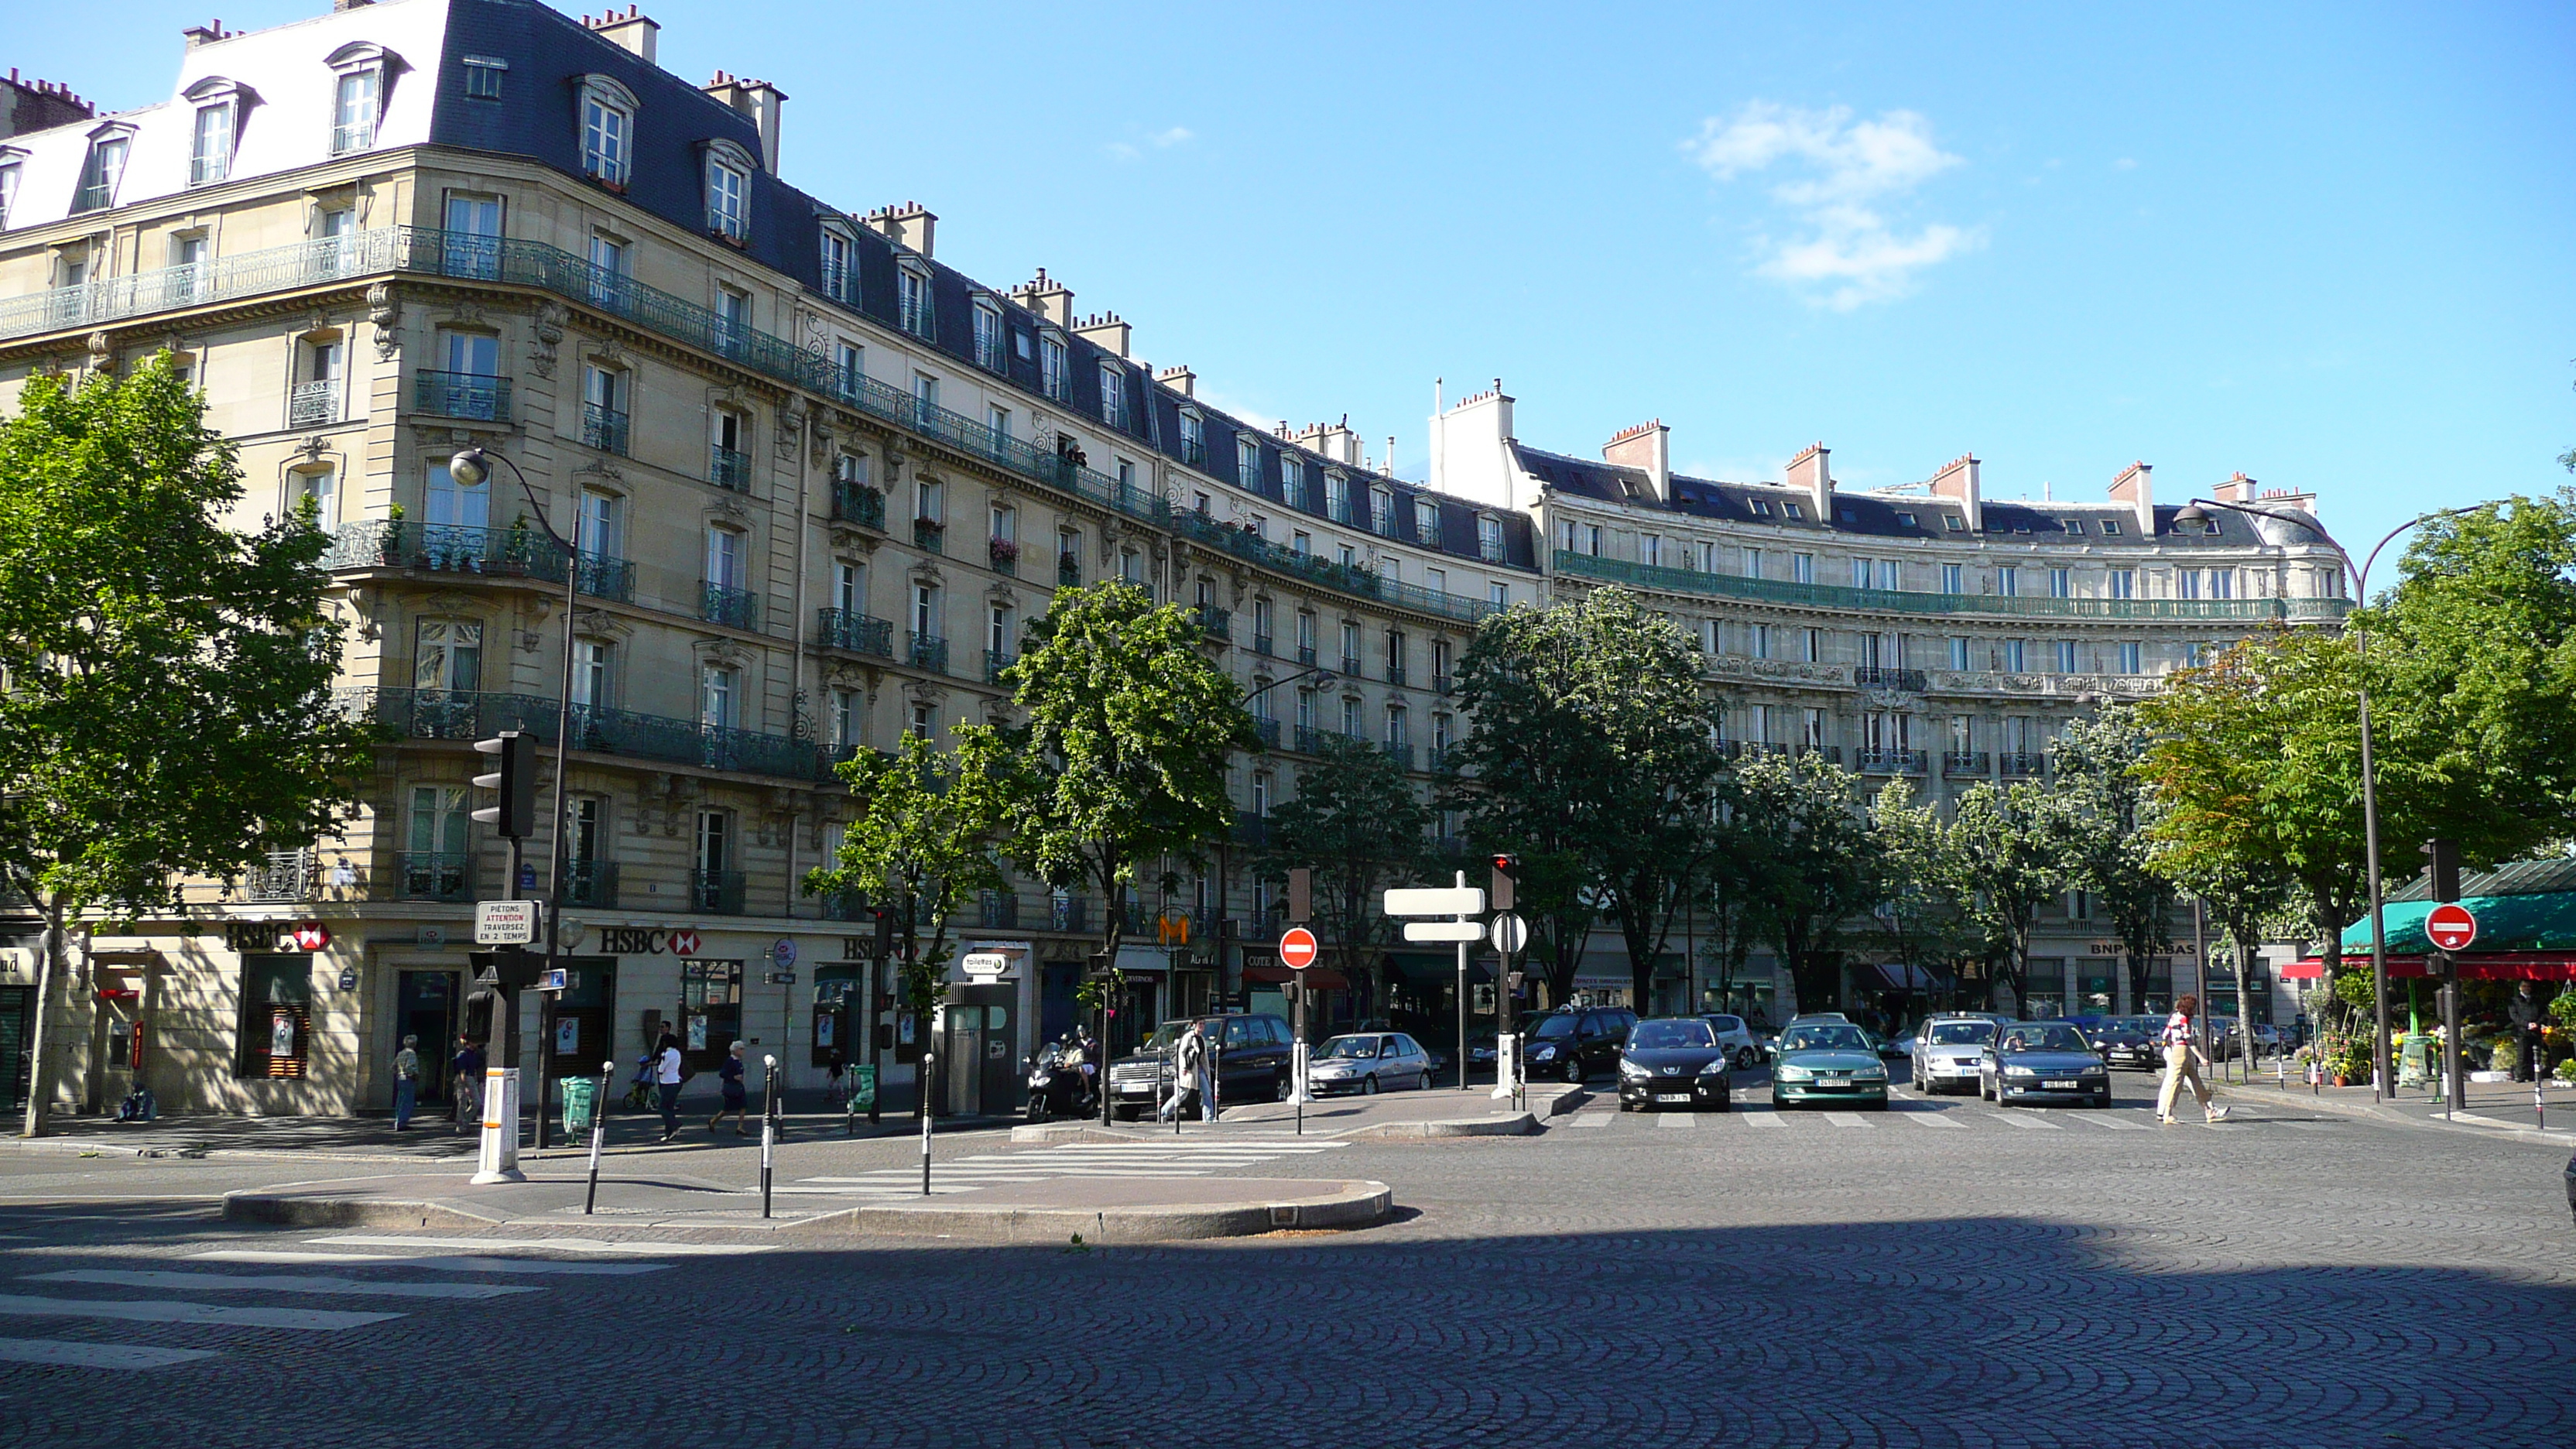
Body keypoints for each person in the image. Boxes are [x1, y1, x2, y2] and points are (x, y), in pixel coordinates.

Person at [2156, 995, 2228, 1125]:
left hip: (2175, 1049)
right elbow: (2188, 1039)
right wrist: (2200, 1057)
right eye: (2194, 1007)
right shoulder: (2184, 1019)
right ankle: (2168, 1113)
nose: (2195, 1010)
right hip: (2181, 1051)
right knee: (2175, 1082)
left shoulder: (2174, 1016)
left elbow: (2165, 1034)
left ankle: (2209, 1110)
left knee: (2196, 1081)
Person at [1160, 1022, 1208, 1123]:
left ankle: (1209, 1118)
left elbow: (1203, 1057)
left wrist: (1206, 1070)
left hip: (1199, 1069)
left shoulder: (1202, 1038)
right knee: (1182, 1094)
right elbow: (1181, 1053)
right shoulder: (1188, 1037)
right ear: (1194, 1025)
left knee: (1207, 1092)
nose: (1202, 1026)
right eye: (1200, 1024)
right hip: (1189, 1070)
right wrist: (1184, 1068)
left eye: (1204, 1024)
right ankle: (1163, 1113)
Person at [711, 1041, 750, 1136]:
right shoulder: (730, 1061)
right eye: (741, 1049)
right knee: (728, 1108)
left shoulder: (738, 1061)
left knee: (743, 1106)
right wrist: (733, 1077)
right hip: (731, 1087)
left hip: (739, 1086)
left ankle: (740, 1127)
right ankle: (713, 1121)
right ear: (735, 1050)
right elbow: (722, 1073)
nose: (743, 1051)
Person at [654, 1029, 685, 1142]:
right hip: (676, 1081)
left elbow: (661, 1069)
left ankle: (675, 1124)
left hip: (667, 1083)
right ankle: (669, 1133)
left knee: (662, 1107)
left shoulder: (667, 1054)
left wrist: (660, 1061)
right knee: (669, 1108)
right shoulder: (677, 1053)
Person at [450, 1036, 485, 1135]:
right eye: (474, 1042)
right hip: (464, 1078)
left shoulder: (474, 1054)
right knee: (462, 1102)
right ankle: (461, 1125)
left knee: (476, 1102)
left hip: (471, 1077)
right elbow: (462, 1072)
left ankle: (464, 1121)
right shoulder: (463, 1055)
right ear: (469, 1043)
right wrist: (465, 1086)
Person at [2509, 981, 2542, 1083]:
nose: (2526, 988)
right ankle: (2521, 1075)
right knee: (2522, 1054)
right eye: (2524, 986)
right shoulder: (2515, 1001)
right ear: (2520, 988)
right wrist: (2527, 1024)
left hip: (2535, 1030)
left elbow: (2543, 1013)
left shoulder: (2536, 1000)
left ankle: (2533, 1074)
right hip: (2522, 1031)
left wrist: (2537, 1023)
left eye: (2528, 986)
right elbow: (2514, 1016)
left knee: (2535, 1053)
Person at [391, 1034, 421, 1131]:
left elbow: (393, 1067)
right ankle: (402, 1122)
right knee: (407, 1101)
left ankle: (398, 1120)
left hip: (400, 1077)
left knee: (400, 1100)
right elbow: (410, 1067)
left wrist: (399, 1073)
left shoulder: (401, 1053)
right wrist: (414, 1075)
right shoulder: (411, 1053)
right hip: (408, 1078)